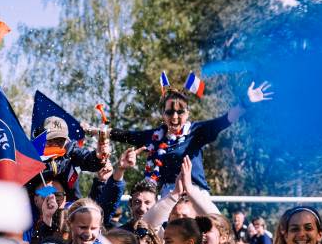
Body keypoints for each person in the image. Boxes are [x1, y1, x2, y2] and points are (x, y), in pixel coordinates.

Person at [107, 80, 272, 195]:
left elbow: (224, 120)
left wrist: (245, 103)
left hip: (195, 193)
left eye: (180, 112)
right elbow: (127, 135)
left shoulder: (197, 130)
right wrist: (96, 131)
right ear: (163, 114)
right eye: (170, 112)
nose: (175, 117)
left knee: (216, 229)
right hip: (168, 195)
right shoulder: (156, 136)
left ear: (188, 113)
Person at [36, 115, 109, 202]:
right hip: (38, 205)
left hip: (68, 205)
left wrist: (97, 157)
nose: (55, 144)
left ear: (66, 140)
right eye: (50, 139)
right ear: (41, 138)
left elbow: (87, 159)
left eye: (60, 140)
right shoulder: (31, 155)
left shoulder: (71, 151)